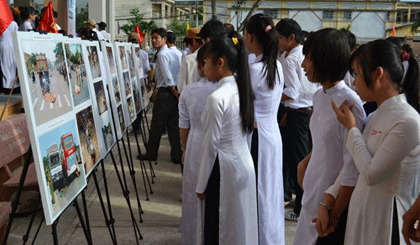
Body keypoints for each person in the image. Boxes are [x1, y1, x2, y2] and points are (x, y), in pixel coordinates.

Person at [331, 39, 420, 245]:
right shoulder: (376, 115)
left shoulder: (407, 121)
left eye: (356, 74)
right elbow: (353, 164)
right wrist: (329, 199)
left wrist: (351, 128)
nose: (353, 83)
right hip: (362, 213)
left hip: (386, 221)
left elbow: (371, 174)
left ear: (377, 74)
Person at [293, 28, 365, 245]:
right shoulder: (319, 96)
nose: (303, 64)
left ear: (325, 61)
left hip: (332, 203)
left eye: (308, 58)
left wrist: (333, 213)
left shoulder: (349, 103)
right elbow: (326, 142)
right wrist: (305, 162)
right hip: (313, 191)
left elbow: (352, 166)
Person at [195, 33, 258, 245]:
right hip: (243, 163)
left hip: (222, 169)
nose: (203, 68)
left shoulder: (217, 97)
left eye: (205, 62)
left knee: (219, 228)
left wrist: (201, 184)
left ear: (220, 63)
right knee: (239, 227)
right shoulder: (242, 88)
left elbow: (210, 146)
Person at [243, 14, 285, 245]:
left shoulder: (254, 69)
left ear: (249, 37)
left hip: (256, 136)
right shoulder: (275, 65)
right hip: (271, 136)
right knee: (269, 194)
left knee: (257, 194)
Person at [275, 18, 319, 222]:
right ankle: (301, 201)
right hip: (307, 112)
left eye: (280, 38)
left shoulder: (291, 59)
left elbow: (292, 91)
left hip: (299, 115)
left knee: (299, 163)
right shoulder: (299, 54)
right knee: (303, 161)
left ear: (291, 38)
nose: (278, 42)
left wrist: (272, 96)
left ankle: (301, 208)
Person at [178, 46, 218, 245]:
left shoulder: (189, 91)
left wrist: (185, 149)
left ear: (201, 66)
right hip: (220, 146)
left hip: (195, 144)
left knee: (194, 194)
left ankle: (193, 237)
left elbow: (183, 125)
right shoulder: (232, 90)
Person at [139, 28, 182, 164]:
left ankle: (152, 153)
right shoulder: (173, 53)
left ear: (165, 39)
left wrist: (173, 91)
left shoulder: (162, 55)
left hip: (167, 92)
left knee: (157, 125)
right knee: (173, 126)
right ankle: (176, 155)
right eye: (152, 38)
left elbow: (168, 76)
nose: (153, 40)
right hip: (172, 91)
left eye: (157, 38)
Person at [177, 27, 202, 93]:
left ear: (193, 42)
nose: (188, 47)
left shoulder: (188, 60)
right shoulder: (211, 57)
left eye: (188, 44)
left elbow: (181, 87)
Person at [0, 20, 19, 94]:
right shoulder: (14, 23)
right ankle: (11, 85)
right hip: (11, 45)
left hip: (4, 45)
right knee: (10, 66)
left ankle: (7, 85)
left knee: (5, 66)